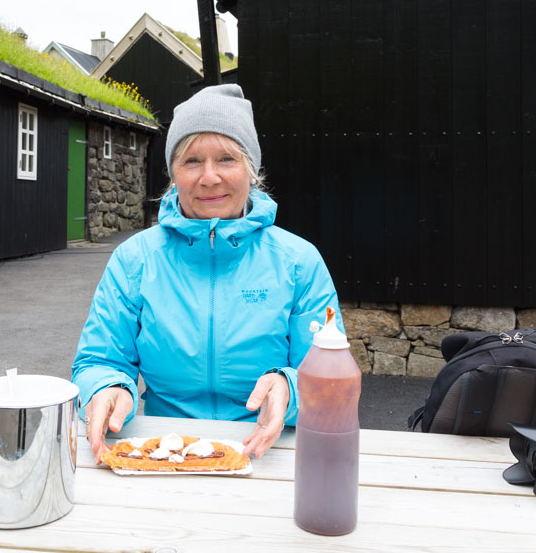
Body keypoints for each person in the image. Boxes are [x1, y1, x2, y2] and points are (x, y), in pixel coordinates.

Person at [72, 84, 343, 462]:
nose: (209, 177)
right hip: (165, 452)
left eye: (227, 159)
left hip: (270, 450)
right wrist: (106, 388)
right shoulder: (134, 261)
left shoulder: (299, 263)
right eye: (192, 161)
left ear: (251, 169)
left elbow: (330, 377)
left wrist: (292, 389)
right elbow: (98, 361)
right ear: (173, 174)